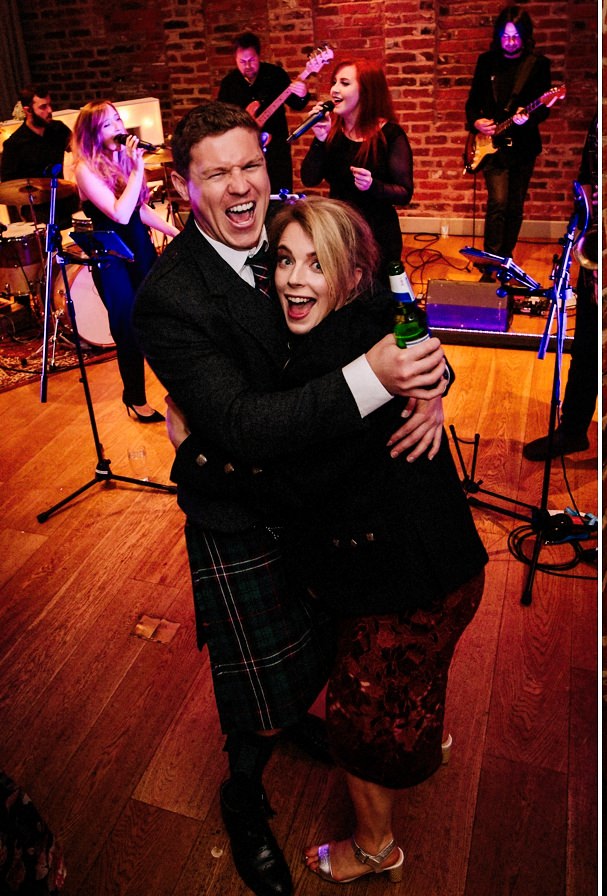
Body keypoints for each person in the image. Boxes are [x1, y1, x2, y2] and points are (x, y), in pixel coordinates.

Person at [133, 101, 450, 896]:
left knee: (331, 653)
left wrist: (429, 381)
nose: (242, 188)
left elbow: (392, 296)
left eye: (251, 166)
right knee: (257, 695)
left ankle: (323, 723)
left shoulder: (295, 224)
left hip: (330, 504)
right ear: (182, 185)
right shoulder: (170, 298)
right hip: (243, 510)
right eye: (217, 174)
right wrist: (375, 377)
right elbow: (243, 425)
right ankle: (244, 798)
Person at [72, 100, 179, 421]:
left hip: (140, 248)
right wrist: (136, 168)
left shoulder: (121, 159)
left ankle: (181, 390)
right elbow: (118, 213)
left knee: (159, 319)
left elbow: (139, 210)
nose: (118, 128)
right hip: (112, 256)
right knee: (127, 327)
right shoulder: (84, 169)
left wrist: (177, 233)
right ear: (92, 133)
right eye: (107, 124)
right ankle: (134, 397)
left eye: (117, 120)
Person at [523, 114, 597, 461]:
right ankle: (572, 430)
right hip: (593, 244)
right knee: (584, 346)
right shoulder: (596, 118)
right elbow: (586, 177)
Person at [465, 6, 557, 271]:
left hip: (523, 147)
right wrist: (476, 122)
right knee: (498, 202)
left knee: (515, 206)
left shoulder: (537, 65)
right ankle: (490, 263)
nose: (510, 42)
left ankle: (506, 258)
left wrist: (528, 117)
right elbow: (472, 104)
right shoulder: (487, 62)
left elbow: (544, 108)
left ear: (525, 36)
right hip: (492, 146)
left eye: (515, 37)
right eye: (506, 37)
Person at [301, 59, 412, 278]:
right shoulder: (332, 133)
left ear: (367, 91)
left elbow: (404, 193)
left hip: (377, 234)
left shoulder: (390, 135)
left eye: (344, 83)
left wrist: (373, 186)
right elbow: (309, 178)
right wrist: (319, 140)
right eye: (334, 82)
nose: (334, 89)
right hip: (340, 231)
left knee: (376, 298)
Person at [216, 32, 311, 193]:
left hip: (276, 151)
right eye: (242, 62)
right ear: (235, 60)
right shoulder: (229, 84)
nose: (247, 66)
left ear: (259, 56)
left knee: (280, 194)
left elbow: (297, 104)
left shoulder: (275, 75)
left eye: (252, 60)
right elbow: (222, 118)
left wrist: (303, 94)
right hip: (244, 153)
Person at [1, 84, 76, 224]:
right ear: (27, 110)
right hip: (37, 207)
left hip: (63, 197)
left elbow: (79, 150)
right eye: (43, 107)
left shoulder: (58, 129)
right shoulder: (14, 144)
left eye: (49, 105)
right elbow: (8, 186)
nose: (50, 110)